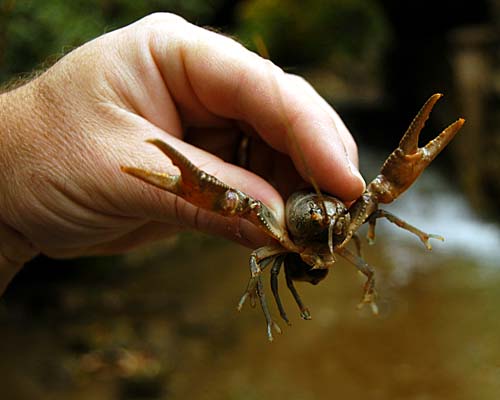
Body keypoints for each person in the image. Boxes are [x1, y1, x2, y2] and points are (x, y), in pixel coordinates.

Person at [0, 13, 365, 295]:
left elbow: (372, 197)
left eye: (328, 215)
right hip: (288, 246)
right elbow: (257, 246)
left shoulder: (340, 227)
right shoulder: (271, 220)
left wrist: (11, 232)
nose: (325, 217)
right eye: (321, 213)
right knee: (254, 215)